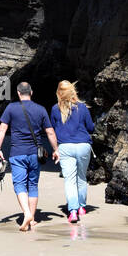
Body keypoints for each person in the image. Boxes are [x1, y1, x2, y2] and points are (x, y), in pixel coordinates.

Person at [0, 81, 60, 231]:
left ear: (18, 93)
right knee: (33, 185)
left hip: (17, 153)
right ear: (31, 92)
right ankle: (32, 218)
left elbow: (2, 129)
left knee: (19, 184)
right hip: (35, 154)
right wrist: (56, 149)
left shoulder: (11, 108)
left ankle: (27, 213)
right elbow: (50, 132)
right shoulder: (41, 110)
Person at [50, 80, 95, 223]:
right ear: (73, 91)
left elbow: (52, 129)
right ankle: (82, 207)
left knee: (69, 180)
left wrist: (55, 148)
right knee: (81, 178)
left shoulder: (55, 109)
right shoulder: (82, 108)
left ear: (59, 93)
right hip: (83, 145)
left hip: (65, 147)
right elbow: (91, 127)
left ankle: (73, 211)